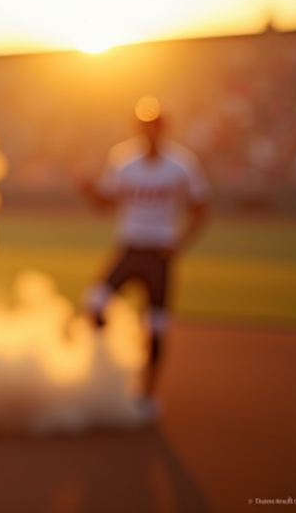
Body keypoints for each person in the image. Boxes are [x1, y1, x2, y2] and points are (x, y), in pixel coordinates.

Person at [77, 96, 209, 419]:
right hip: (129, 247)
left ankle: (147, 393)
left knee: (157, 325)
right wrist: (86, 188)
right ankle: (105, 371)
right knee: (94, 304)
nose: (149, 132)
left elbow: (200, 206)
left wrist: (180, 242)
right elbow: (105, 203)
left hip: (159, 252)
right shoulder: (123, 160)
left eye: (154, 126)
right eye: (144, 126)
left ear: (163, 129)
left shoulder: (182, 163)